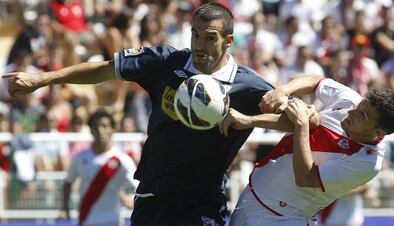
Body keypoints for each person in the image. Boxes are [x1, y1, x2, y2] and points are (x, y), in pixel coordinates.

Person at [2, 2, 273, 225]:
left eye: (209, 38)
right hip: (152, 196)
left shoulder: (246, 85)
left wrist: (250, 120)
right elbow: (104, 69)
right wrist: (43, 79)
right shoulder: (167, 61)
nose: (199, 45)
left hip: (202, 201)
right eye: (195, 34)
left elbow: (295, 118)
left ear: (228, 41)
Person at [219, 75, 394, 226]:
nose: (352, 111)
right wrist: (283, 91)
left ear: (379, 132)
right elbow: (316, 81)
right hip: (251, 197)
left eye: (362, 115)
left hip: (284, 218)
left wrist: (301, 124)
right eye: (360, 105)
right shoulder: (351, 102)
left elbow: (305, 178)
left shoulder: (367, 163)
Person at [61, 109, 137, 226]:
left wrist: (132, 199)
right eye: (96, 126)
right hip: (86, 221)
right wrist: (65, 208)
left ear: (112, 129)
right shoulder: (80, 158)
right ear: (91, 130)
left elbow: (139, 187)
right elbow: (68, 183)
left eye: (105, 126)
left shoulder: (122, 160)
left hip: (113, 221)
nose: (100, 130)